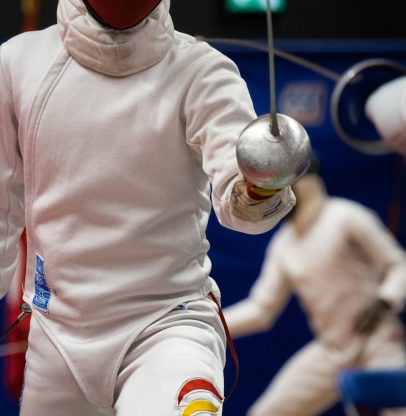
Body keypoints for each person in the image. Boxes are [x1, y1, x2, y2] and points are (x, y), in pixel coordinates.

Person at [0, 1, 297, 415]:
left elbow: (239, 199)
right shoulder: (19, 63)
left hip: (166, 326)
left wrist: (258, 187)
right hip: (57, 337)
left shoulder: (202, 70)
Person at [223, 166, 406, 416]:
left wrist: (385, 301)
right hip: (332, 347)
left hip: (378, 341)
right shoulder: (284, 244)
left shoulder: (345, 216)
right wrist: (215, 324)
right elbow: (262, 309)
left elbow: (401, 267)